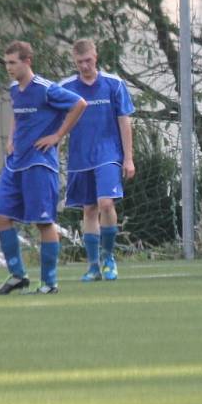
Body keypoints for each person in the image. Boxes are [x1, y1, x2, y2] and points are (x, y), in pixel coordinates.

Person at [0, 41, 87, 295]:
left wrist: (58, 136)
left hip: (39, 164)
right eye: (7, 63)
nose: (9, 68)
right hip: (15, 164)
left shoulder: (46, 89)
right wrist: (11, 139)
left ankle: (49, 284)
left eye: (13, 62)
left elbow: (79, 104)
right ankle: (17, 276)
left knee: (43, 223)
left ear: (27, 61)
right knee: (0, 215)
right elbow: (17, 113)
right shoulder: (15, 90)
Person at [59, 39, 135, 282]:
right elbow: (57, 122)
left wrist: (128, 158)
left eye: (88, 60)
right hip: (80, 156)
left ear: (96, 56)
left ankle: (109, 258)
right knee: (89, 208)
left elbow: (125, 121)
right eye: (80, 62)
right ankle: (93, 266)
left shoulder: (114, 84)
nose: (84, 66)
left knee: (105, 203)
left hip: (108, 154)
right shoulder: (66, 87)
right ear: (75, 61)